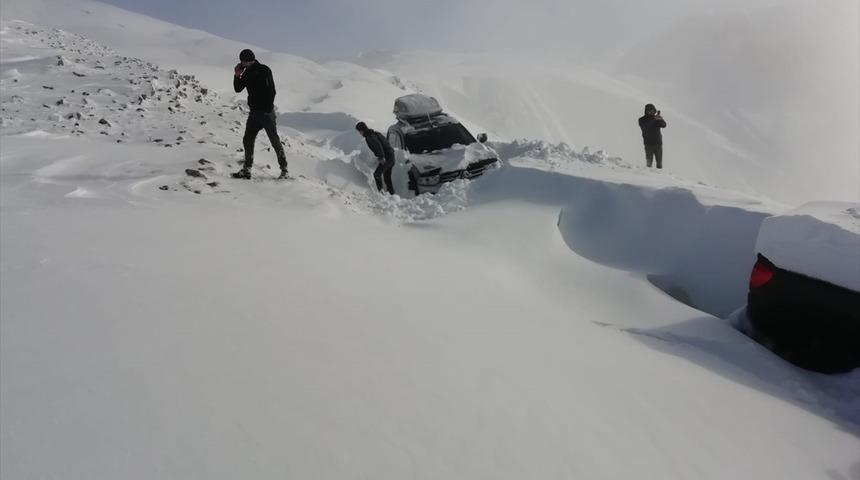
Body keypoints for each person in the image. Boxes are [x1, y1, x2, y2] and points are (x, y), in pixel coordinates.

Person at [231, 49, 288, 179]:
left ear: (251, 59)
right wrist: (237, 75)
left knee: (274, 140)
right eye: (242, 61)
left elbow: (272, 90)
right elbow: (238, 88)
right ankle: (247, 170)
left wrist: (267, 109)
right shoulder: (245, 73)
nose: (243, 63)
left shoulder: (264, 70)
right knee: (248, 140)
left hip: (266, 113)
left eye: (245, 61)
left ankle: (284, 169)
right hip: (254, 113)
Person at [355, 121, 395, 194]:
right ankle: (391, 195)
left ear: (361, 130)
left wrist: (381, 157)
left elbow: (378, 145)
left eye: (359, 131)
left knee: (377, 174)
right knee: (387, 178)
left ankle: (381, 194)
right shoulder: (375, 133)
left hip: (387, 156)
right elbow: (385, 142)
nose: (359, 133)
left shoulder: (369, 137)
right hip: (391, 155)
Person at [638, 103, 667, 169]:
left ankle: (659, 178)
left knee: (659, 164)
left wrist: (661, 119)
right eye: (650, 111)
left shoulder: (656, 119)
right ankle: (649, 178)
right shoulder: (642, 119)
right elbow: (645, 127)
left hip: (658, 144)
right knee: (649, 164)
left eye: (653, 111)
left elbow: (664, 125)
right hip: (648, 145)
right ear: (646, 111)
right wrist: (654, 119)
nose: (652, 112)